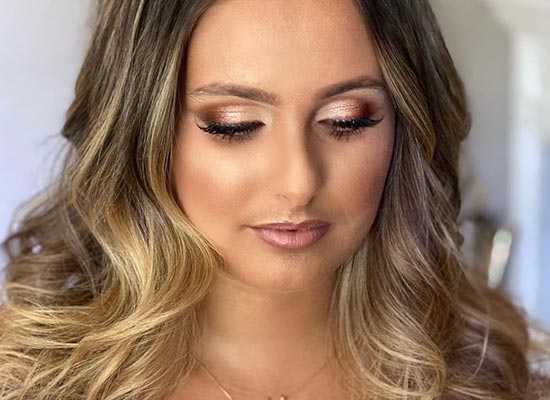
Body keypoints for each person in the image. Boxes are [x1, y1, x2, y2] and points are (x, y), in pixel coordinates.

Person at [1, 0, 549, 399]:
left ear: (404, 126)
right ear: (142, 134)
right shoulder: (33, 383)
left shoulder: (490, 380)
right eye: (234, 125)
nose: (299, 181)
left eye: (347, 120)